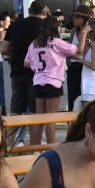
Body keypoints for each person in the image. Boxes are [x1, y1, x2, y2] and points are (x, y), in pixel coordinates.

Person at [24, 13, 77, 146]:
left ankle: (35, 146)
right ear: (55, 28)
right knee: (51, 119)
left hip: (38, 81)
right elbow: (75, 50)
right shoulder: (56, 42)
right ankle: (51, 147)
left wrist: (37, 66)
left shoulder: (34, 43)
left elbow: (26, 63)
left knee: (39, 117)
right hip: (53, 81)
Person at [6, 0, 48, 116]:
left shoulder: (15, 25)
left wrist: (14, 54)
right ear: (44, 12)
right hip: (37, 73)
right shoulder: (45, 26)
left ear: (29, 11)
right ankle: (33, 135)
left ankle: (11, 135)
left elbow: (4, 49)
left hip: (17, 70)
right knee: (34, 111)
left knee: (15, 109)